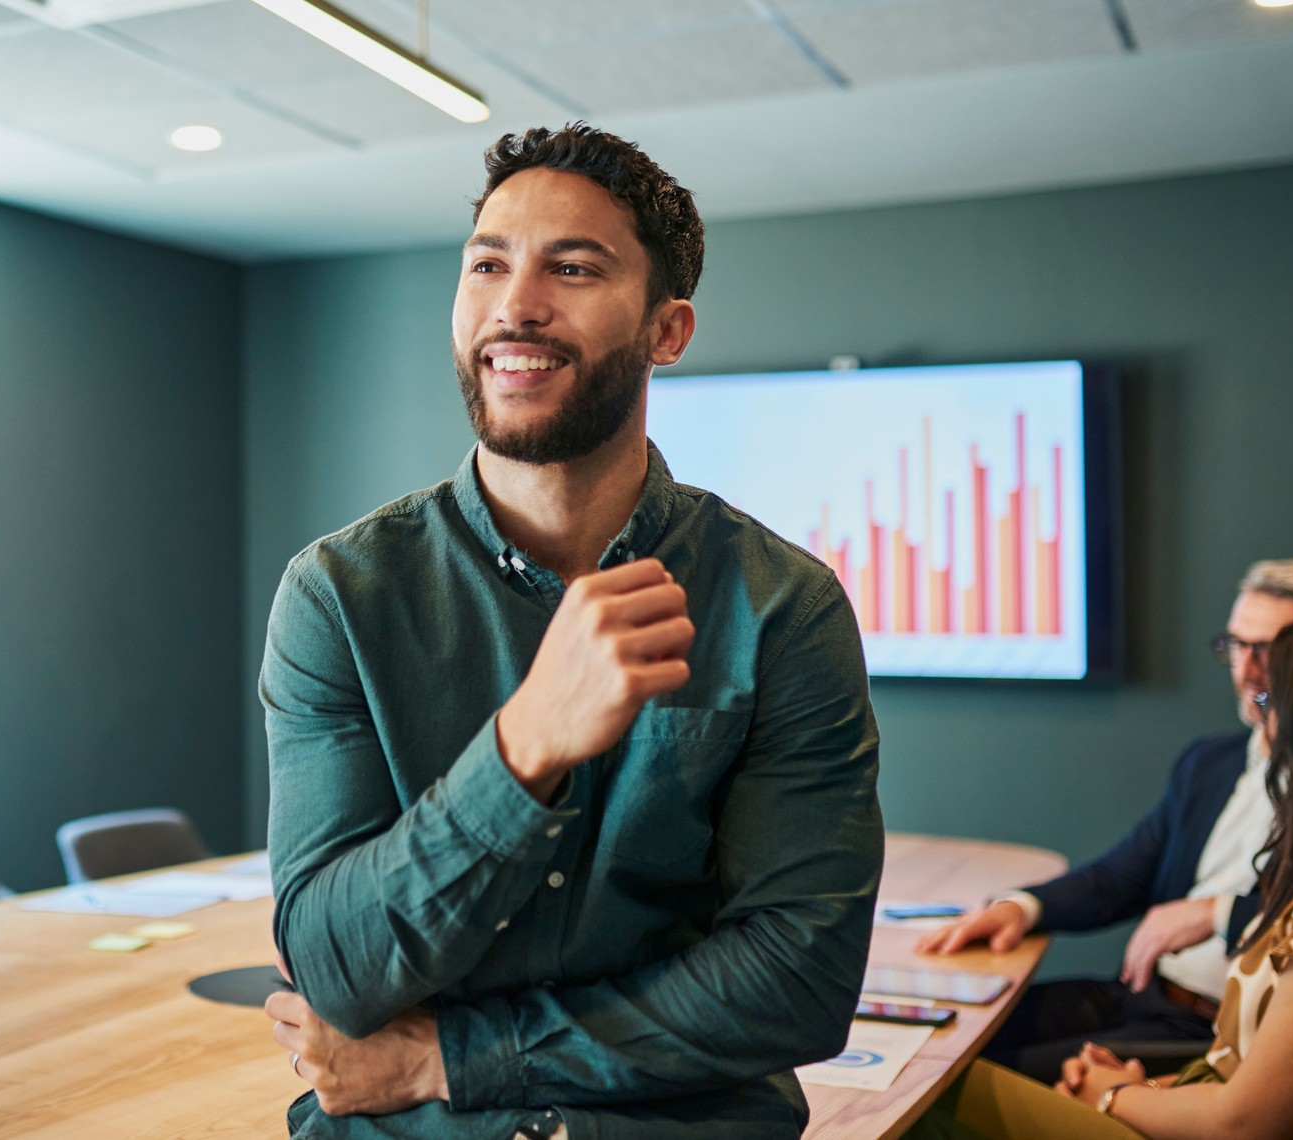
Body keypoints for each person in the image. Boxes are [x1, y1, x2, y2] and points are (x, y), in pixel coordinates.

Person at [260, 124, 883, 1139]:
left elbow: (797, 980)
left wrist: (451, 1058)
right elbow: (334, 965)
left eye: (575, 268)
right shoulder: (337, 596)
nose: (516, 305)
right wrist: (523, 752)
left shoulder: (782, 606)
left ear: (667, 330)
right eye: (488, 265)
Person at [909, 602, 1293, 1140]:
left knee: (931, 1090)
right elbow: (1243, 1076)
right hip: (1185, 1064)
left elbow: (1244, 1123)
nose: (1261, 708)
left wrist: (1114, 1096)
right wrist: (1148, 1090)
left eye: (1275, 699)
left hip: (1207, 1092)